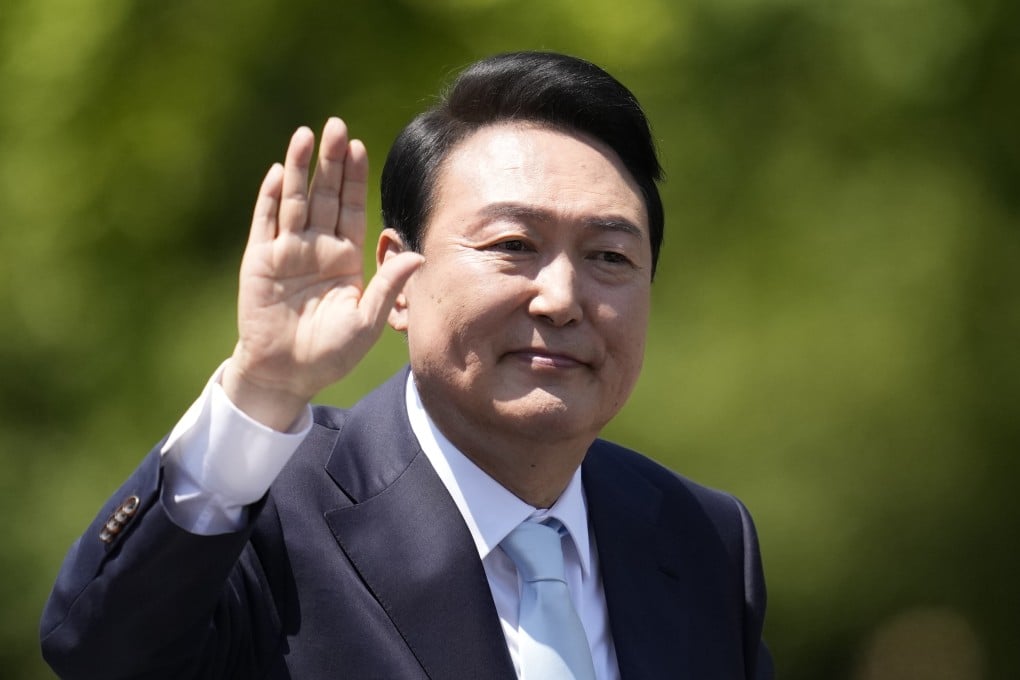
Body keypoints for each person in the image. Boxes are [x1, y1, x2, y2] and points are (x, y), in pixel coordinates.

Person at [40, 51, 772, 679]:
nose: (560, 299)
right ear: (400, 279)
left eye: (609, 256)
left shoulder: (702, 537)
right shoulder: (266, 513)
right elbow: (102, 650)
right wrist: (263, 389)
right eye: (513, 245)